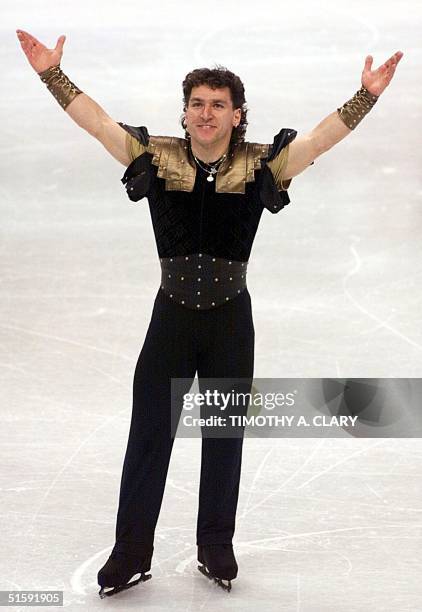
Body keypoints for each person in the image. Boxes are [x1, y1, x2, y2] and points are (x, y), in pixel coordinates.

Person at [16, 28, 403, 597]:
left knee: (224, 435)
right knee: (149, 432)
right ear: (186, 110)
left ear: (237, 114)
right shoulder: (156, 155)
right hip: (170, 318)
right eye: (197, 104)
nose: (205, 113)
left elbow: (321, 140)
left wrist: (365, 95)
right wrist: (51, 74)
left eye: (217, 105)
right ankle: (131, 553)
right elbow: (96, 122)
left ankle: (215, 546)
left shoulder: (261, 166)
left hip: (228, 321)